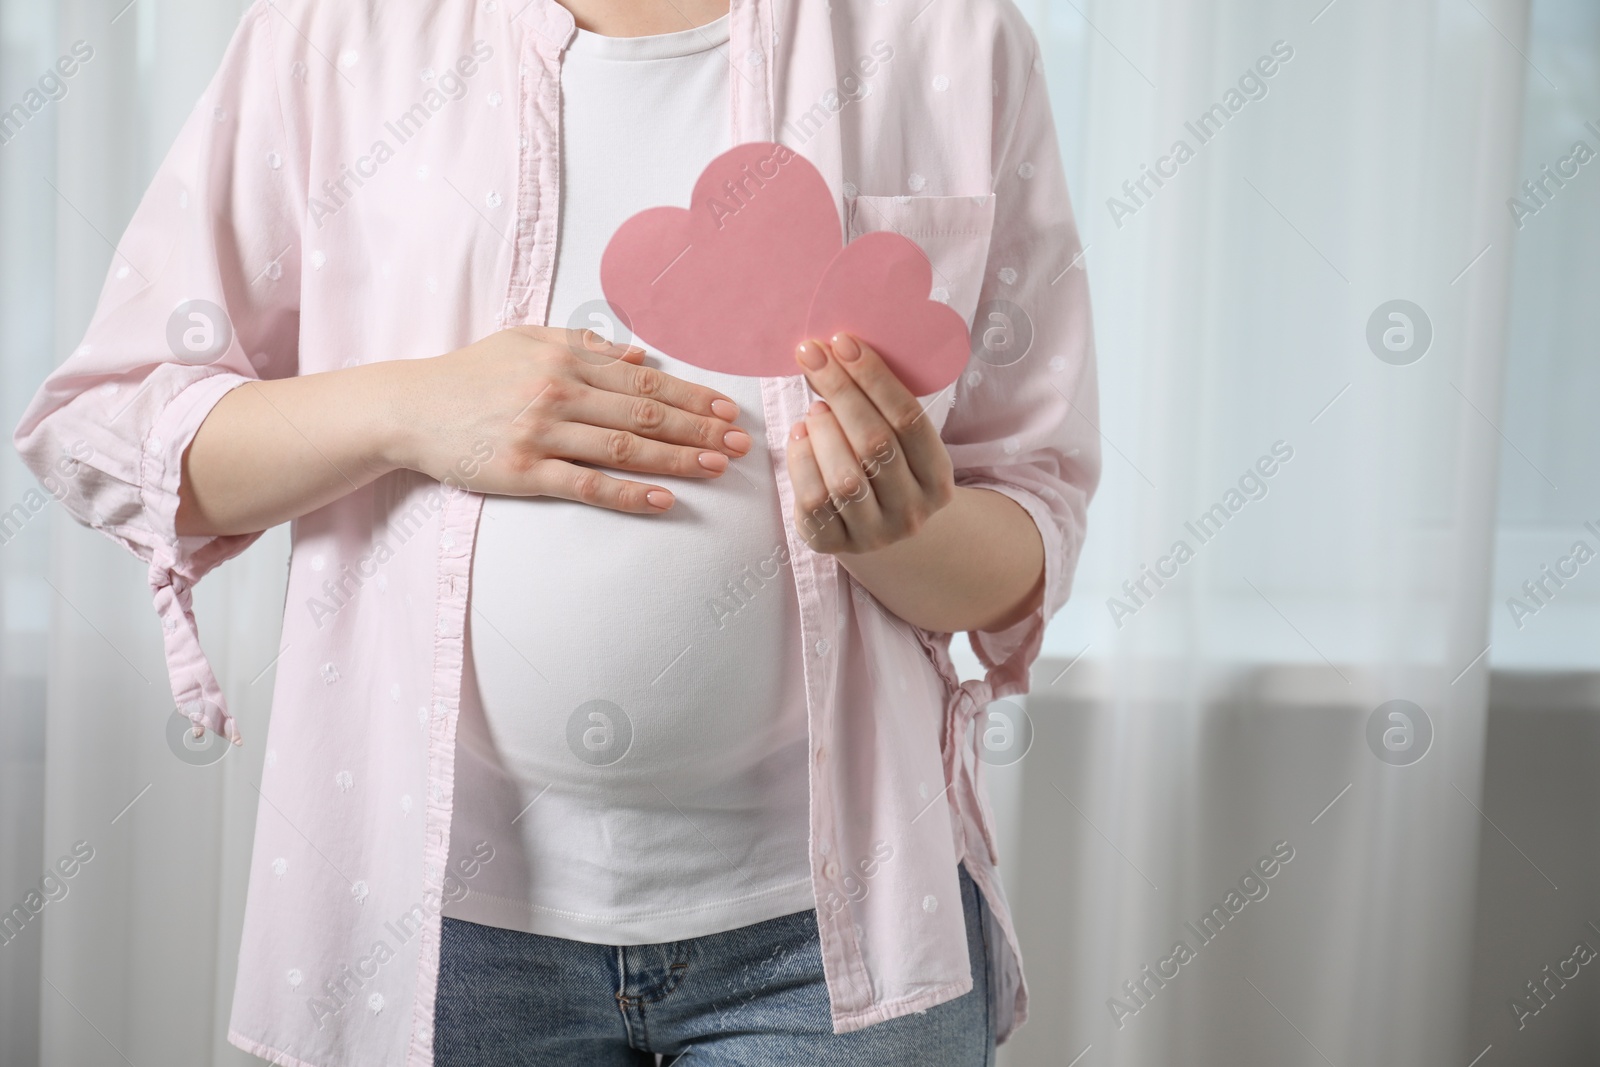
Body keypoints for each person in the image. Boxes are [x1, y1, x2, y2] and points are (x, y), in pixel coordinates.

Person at [13, 0, 1099, 1063]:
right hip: (437, 935)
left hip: (840, 936)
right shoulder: (331, 34)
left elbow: (1027, 526)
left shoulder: (951, 36)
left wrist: (892, 530)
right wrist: (410, 408)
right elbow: (101, 434)